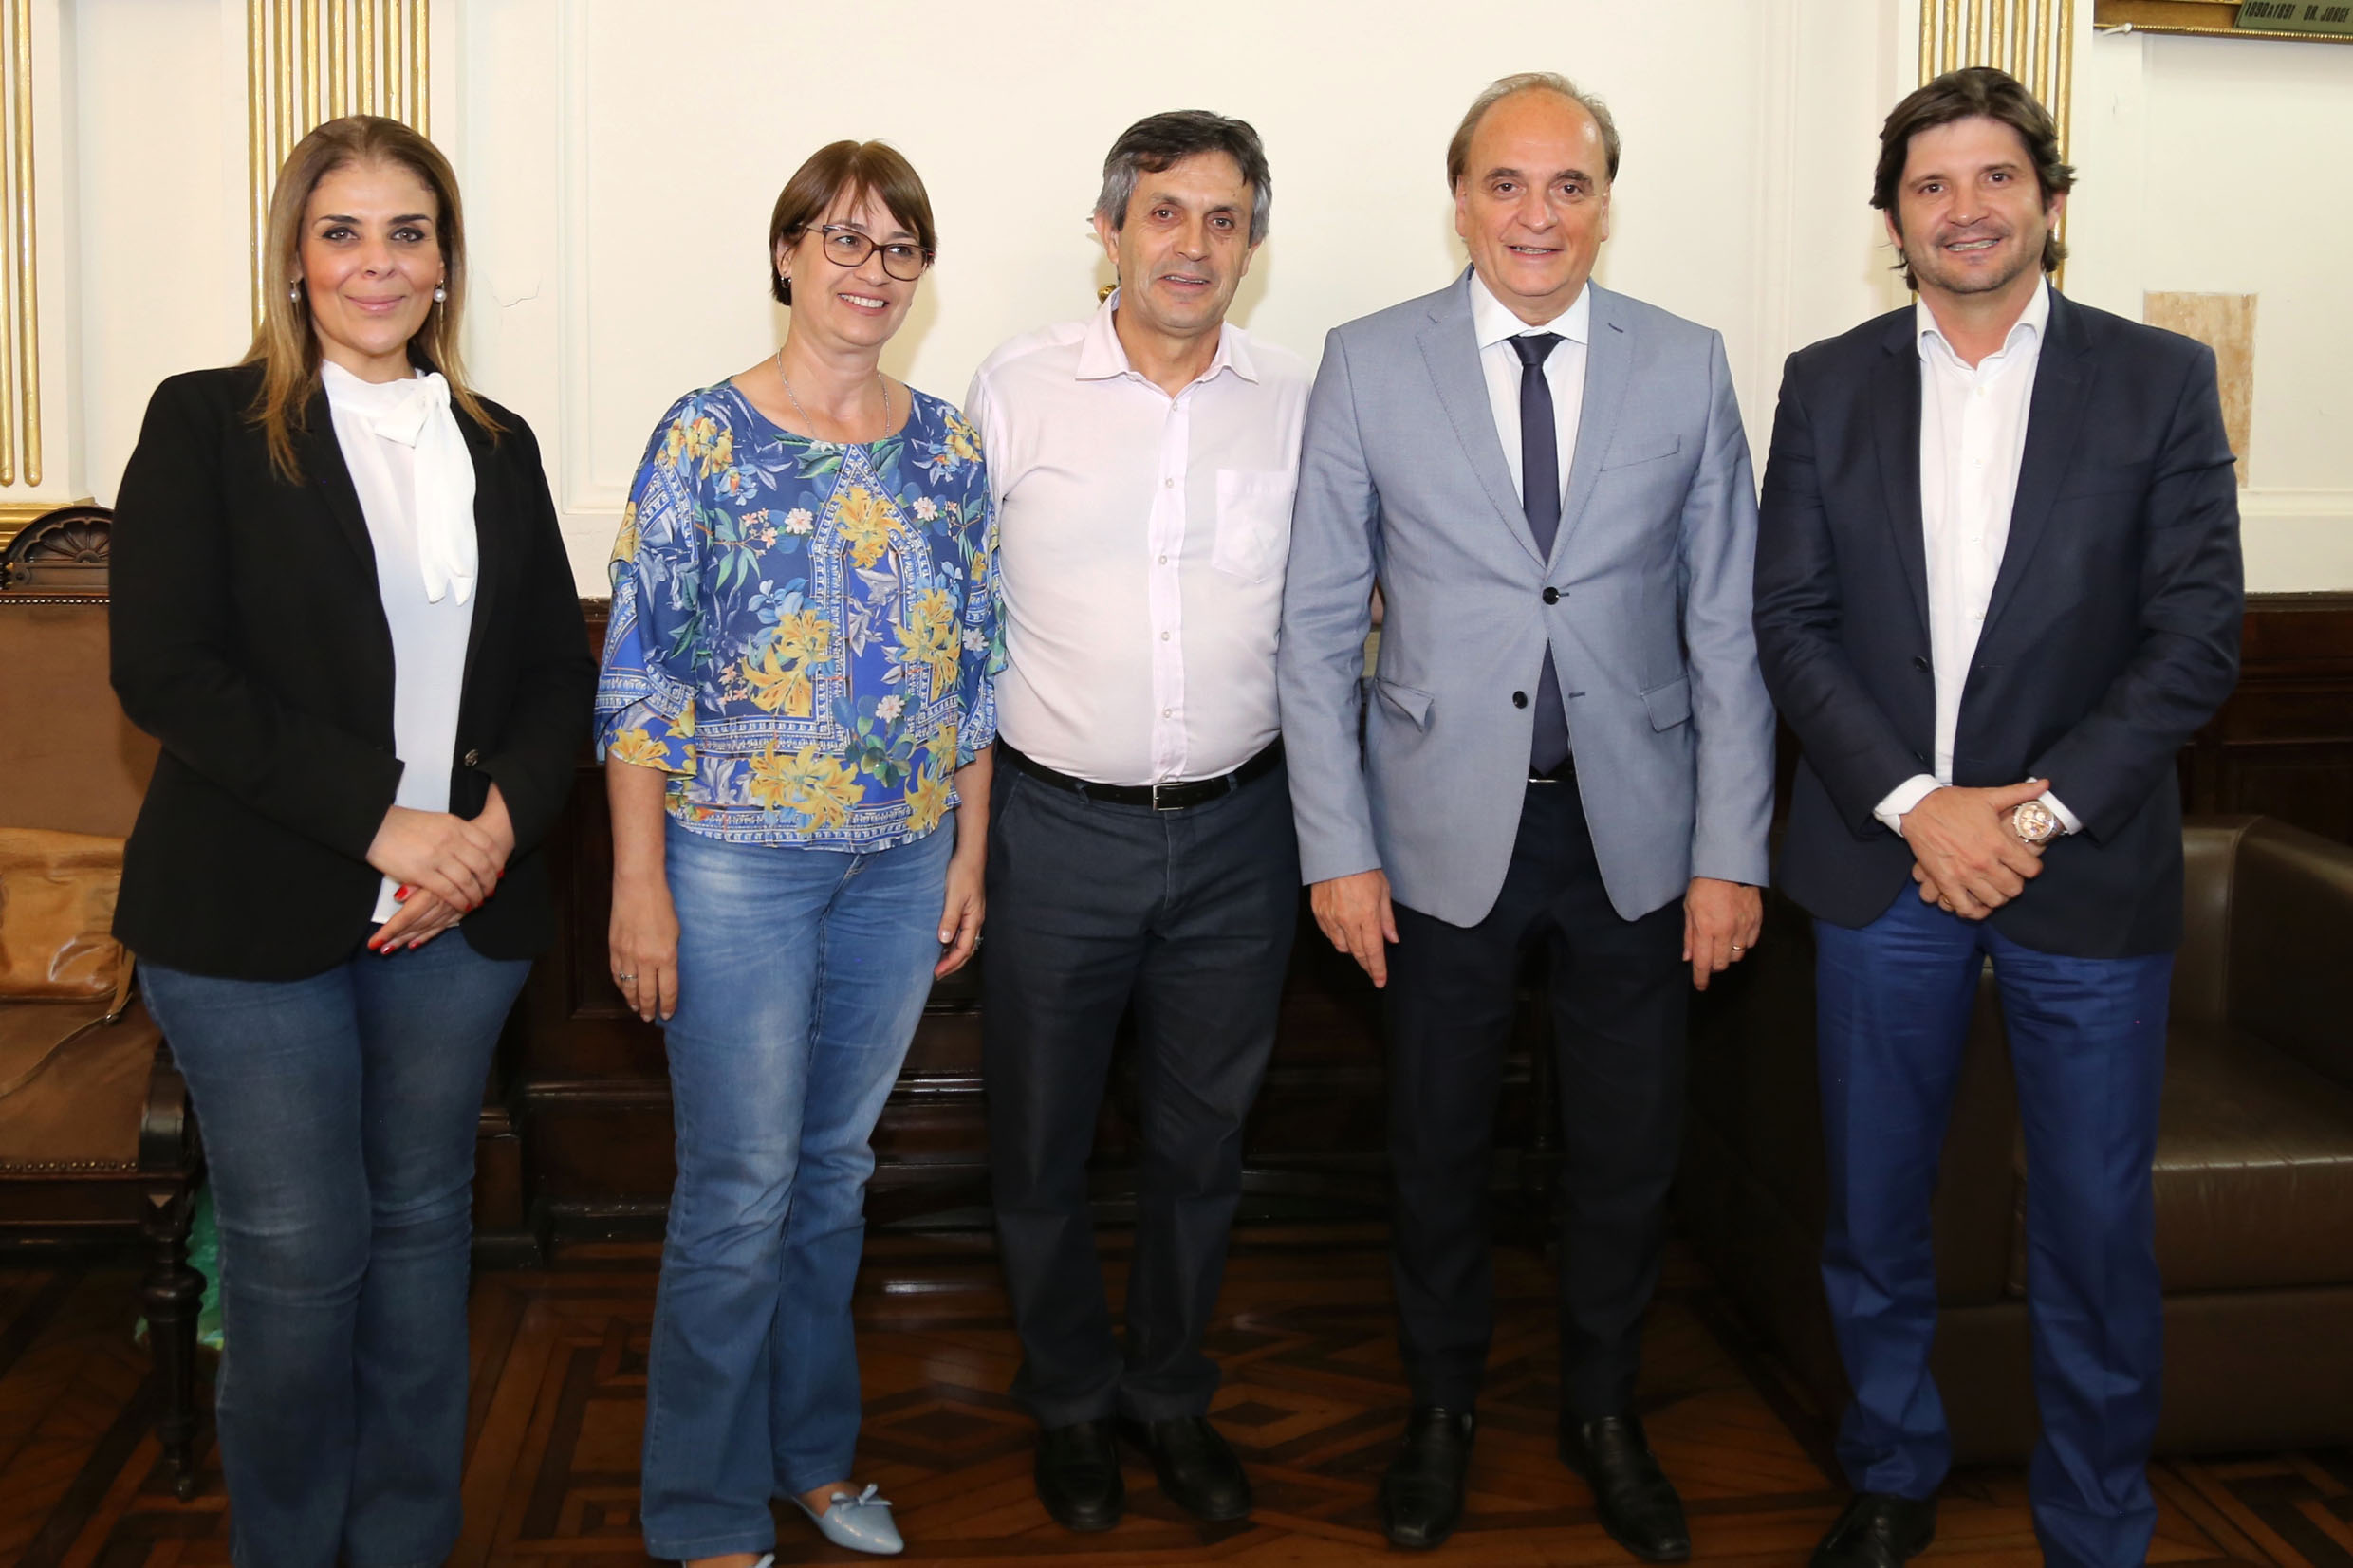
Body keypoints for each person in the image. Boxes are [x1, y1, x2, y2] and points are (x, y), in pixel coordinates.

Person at [1751, 67, 2241, 1568]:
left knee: (2093, 1227)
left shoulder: (2156, 378)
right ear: (1892, 220)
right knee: (1875, 1206)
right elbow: (1791, 619)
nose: (1964, 209)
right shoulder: (1826, 381)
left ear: (2050, 199)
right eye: (1931, 185)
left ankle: (2096, 1517)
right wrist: (1918, 807)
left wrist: (2027, 819)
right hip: (1878, 860)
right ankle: (1891, 1467)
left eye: (1995, 178)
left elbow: (2198, 634)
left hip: (2082, 874)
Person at [1281, 72, 1774, 1557]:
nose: (1537, 214)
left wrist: (1731, 851)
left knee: (1628, 1147)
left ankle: (1605, 1408)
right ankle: (1440, 1408)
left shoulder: (1686, 366)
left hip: (1636, 831)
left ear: (1606, 203)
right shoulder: (1369, 363)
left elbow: (1728, 631)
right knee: (1435, 1141)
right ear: (1462, 199)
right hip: (1432, 835)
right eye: (1507, 183)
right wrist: (1338, 846)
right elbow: (1313, 631)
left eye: (1568, 185)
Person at [106, 115, 593, 1568]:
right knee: (297, 1258)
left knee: (425, 1246)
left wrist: (489, 834)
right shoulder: (205, 420)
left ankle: (401, 1545)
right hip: (252, 919)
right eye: (343, 232)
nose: (377, 263)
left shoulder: (496, 447)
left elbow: (556, 679)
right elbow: (167, 671)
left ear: (445, 263)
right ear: (296, 257)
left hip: (458, 925)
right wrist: (392, 822)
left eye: (408, 232)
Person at [598, 139, 1002, 1565]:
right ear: (786, 255)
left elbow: (975, 676)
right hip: (732, 868)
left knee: (834, 1174)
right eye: (842, 239)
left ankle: (813, 1454)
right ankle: (701, 1507)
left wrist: (966, 853)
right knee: (738, 1188)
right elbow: (640, 679)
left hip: (899, 863)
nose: (869, 270)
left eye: (898, 248)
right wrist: (638, 885)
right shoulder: (703, 436)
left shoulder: (948, 447)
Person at [962, 109, 1308, 1534]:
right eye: (1165, 212)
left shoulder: (1302, 396)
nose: (1194, 244)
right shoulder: (1016, 388)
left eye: (1225, 219)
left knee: (1201, 1144)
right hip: (1056, 829)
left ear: (1253, 244)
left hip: (1243, 832)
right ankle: (1067, 1402)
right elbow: (958, 623)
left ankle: (1168, 1393)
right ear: (1107, 229)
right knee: (1037, 1143)